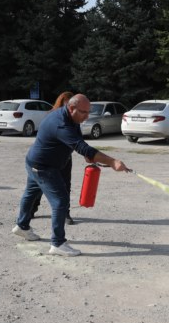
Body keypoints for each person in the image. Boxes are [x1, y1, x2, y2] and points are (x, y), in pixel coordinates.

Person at [12, 94, 131, 256]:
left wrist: (87, 155)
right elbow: (82, 146)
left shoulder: (70, 117)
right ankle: (58, 244)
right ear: (71, 108)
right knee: (60, 201)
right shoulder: (61, 123)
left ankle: (22, 226)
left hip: (35, 162)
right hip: (44, 167)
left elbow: (77, 140)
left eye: (89, 112)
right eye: (83, 112)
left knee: (30, 193)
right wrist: (112, 161)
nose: (87, 116)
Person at [32, 92, 75, 224]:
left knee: (66, 184)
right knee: (39, 184)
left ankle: (66, 213)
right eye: (66, 103)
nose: (68, 106)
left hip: (65, 157)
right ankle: (32, 209)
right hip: (49, 157)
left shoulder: (73, 118)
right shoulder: (52, 116)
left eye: (71, 104)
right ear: (61, 103)